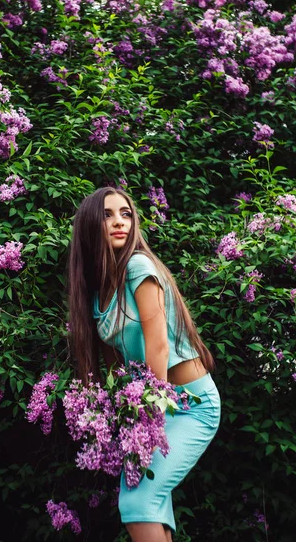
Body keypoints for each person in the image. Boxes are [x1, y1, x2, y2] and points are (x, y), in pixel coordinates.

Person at [66, 186, 221, 542]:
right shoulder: (96, 297)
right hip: (154, 405)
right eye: (107, 214)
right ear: (90, 225)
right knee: (150, 505)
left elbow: (159, 347)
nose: (119, 221)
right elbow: (117, 371)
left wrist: (149, 418)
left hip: (190, 405)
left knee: (137, 502)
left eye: (125, 213)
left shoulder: (138, 266)